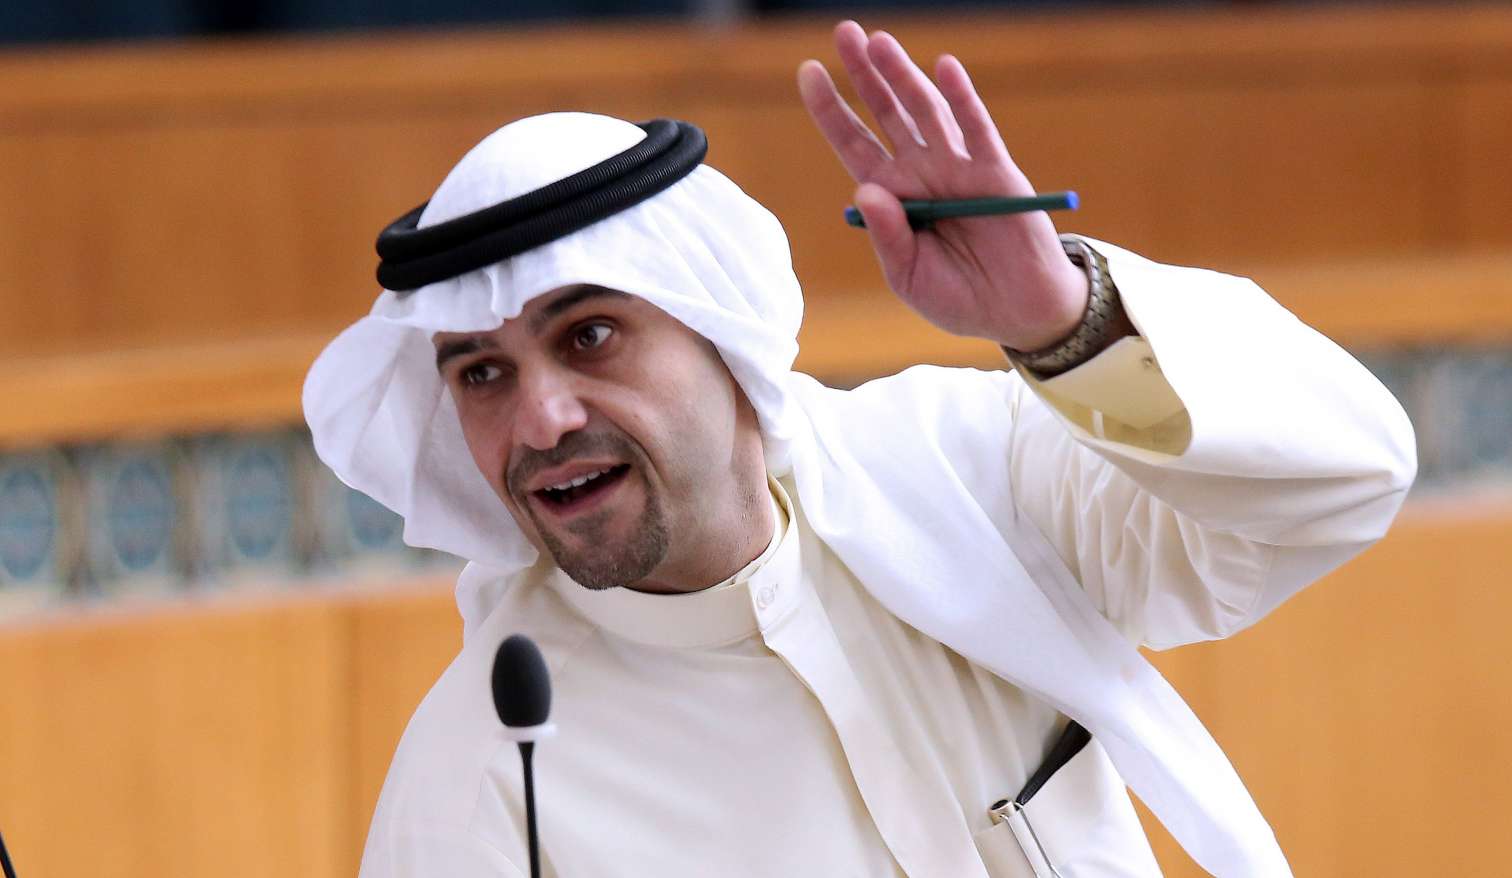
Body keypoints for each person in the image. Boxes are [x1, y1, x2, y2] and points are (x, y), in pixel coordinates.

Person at [303, 21, 1415, 878]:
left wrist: (1064, 322)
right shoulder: (487, 777)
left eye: (589, 336)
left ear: (724, 333)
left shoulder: (969, 478)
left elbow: (1343, 482)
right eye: (481, 373)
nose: (540, 419)